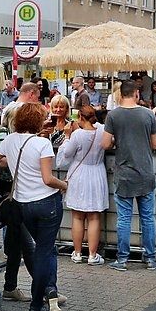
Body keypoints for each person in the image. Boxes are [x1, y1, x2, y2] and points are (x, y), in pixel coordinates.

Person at [0, 102, 68, 311]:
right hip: (47, 202)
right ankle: (38, 302)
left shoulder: (11, 140)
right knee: (45, 250)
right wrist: (65, 185)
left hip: (23, 204)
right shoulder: (42, 143)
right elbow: (47, 179)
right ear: (38, 121)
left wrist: (12, 161)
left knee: (44, 249)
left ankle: (50, 292)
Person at [101, 80, 156, 271]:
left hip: (124, 173)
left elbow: (105, 144)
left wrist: (118, 141)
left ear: (121, 94)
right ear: (136, 93)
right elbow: (154, 144)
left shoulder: (113, 115)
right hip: (146, 172)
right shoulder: (148, 114)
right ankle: (150, 258)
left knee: (124, 218)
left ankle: (122, 259)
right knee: (148, 218)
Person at [56, 105, 107, 266]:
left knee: (77, 215)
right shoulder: (101, 131)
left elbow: (66, 154)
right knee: (94, 216)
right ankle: (92, 254)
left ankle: (77, 252)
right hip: (97, 172)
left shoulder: (77, 135)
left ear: (80, 118)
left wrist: (66, 136)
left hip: (79, 175)